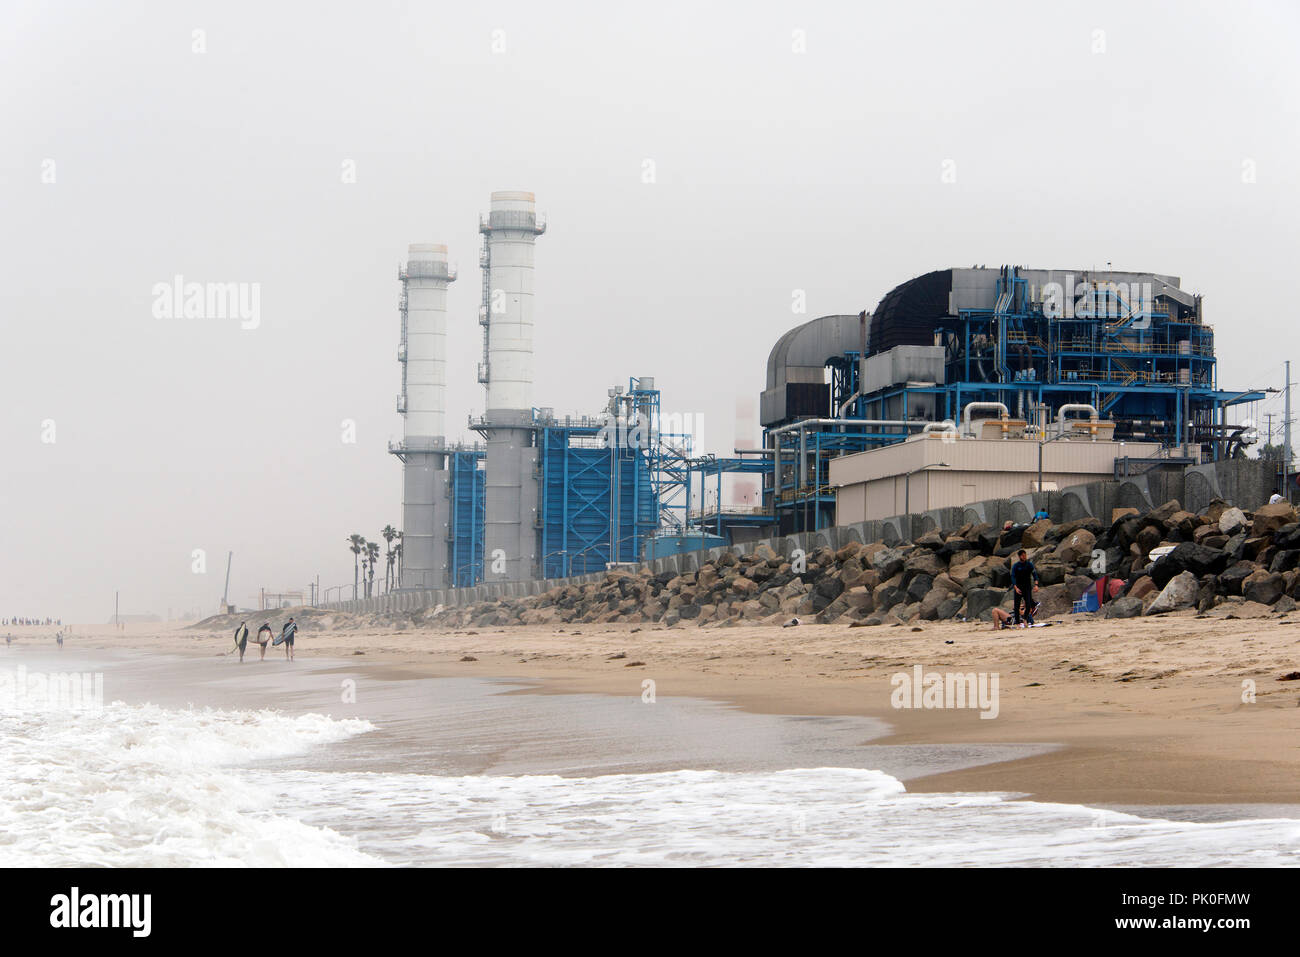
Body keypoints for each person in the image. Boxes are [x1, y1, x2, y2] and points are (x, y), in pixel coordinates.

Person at [1010, 548, 1040, 625]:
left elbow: (1035, 575)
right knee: (1016, 606)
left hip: (1027, 587)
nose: (1024, 557)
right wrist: (1015, 588)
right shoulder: (1016, 566)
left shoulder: (1029, 565)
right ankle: (1017, 623)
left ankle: (1025, 619)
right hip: (1018, 588)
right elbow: (1013, 577)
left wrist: (1036, 585)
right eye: (1023, 555)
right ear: (1020, 556)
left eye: (1025, 555)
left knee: (1029, 604)